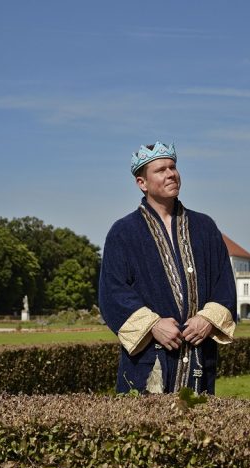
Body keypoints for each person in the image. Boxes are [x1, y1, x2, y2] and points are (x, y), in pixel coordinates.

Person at [99, 141, 237, 394]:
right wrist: (153, 325)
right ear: (142, 183)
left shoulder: (205, 227)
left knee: (201, 428)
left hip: (198, 356)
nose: (171, 174)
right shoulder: (123, 232)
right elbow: (112, 292)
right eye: (161, 170)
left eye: (173, 167)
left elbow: (224, 284)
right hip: (150, 359)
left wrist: (208, 319)